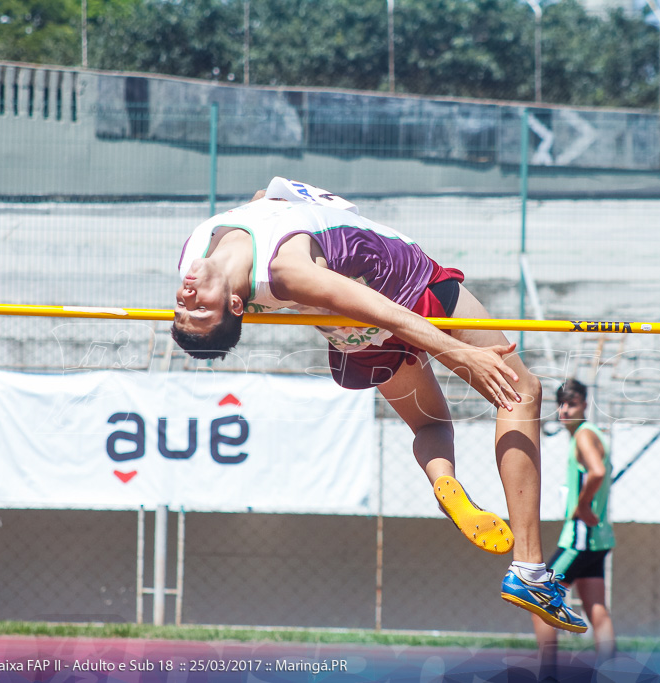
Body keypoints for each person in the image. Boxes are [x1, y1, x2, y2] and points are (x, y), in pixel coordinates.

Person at [170, 177, 586, 633]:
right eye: (201, 311)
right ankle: (530, 569)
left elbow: (259, 209)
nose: (187, 300)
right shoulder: (287, 270)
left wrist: (271, 199)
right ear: (234, 304)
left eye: (181, 309)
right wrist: (459, 353)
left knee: (430, 426)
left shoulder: (196, 252)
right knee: (521, 392)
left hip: (354, 336)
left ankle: (445, 483)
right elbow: (386, 312)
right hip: (402, 288)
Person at [534, 378, 616, 668]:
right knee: (596, 608)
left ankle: (548, 672)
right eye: (561, 404)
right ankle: (611, 670)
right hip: (599, 538)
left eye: (572, 404)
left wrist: (581, 506)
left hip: (580, 538)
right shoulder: (591, 434)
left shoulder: (583, 435)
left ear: (584, 405)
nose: (564, 410)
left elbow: (596, 472)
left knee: (538, 598)